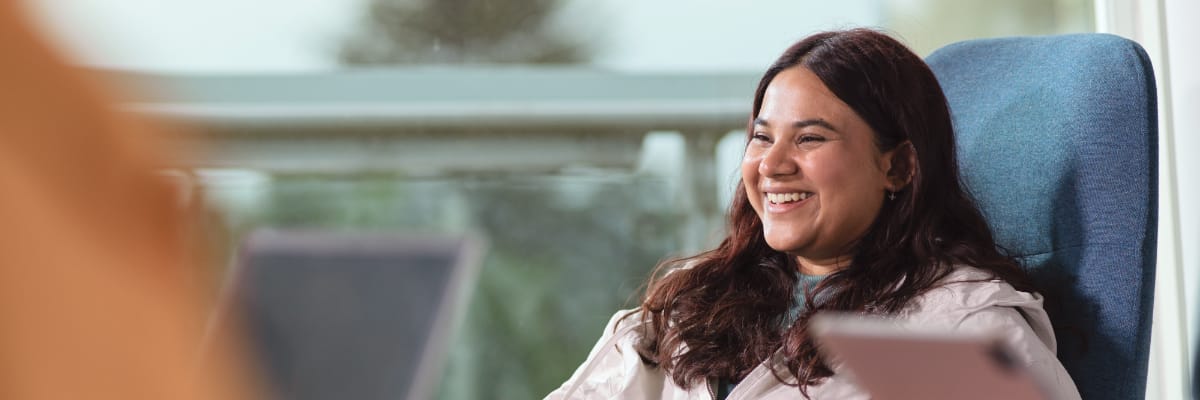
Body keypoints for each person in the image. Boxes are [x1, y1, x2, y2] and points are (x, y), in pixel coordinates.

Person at [545, 29, 1081, 399]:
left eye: (810, 138)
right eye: (761, 137)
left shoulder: (958, 330)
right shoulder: (693, 303)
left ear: (897, 167)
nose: (772, 164)